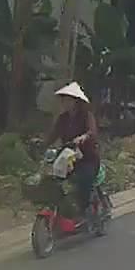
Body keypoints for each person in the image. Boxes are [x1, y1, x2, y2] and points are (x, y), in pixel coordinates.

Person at [46, 82, 100, 216]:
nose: (65, 102)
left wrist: (84, 137)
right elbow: (53, 135)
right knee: (55, 179)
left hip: (87, 159)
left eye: (68, 100)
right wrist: (42, 143)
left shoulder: (86, 116)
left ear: (76, 101)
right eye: (63, 99)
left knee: (84, 180)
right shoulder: (62, 118)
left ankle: (84, 210)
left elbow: (92, 131)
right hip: (68, 157)